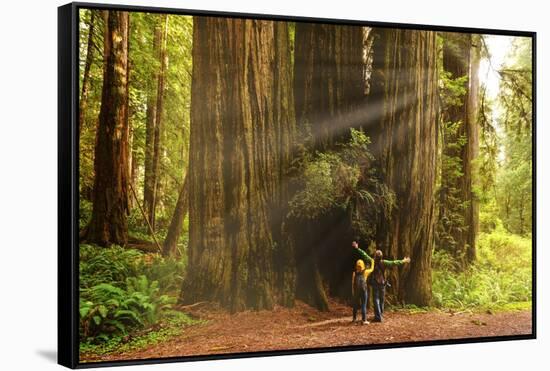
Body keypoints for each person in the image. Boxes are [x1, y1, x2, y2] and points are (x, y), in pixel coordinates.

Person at [351, 241, 410, 322]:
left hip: (375, 283)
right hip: (382, 283)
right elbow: (394, 263)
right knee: (381, 299)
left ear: (375, 256)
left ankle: (378, 316)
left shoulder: (372, 261)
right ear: (381, 257)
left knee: (376, 300)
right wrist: (403, 261)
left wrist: (357, 248)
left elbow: (364, 255)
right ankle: (380, 315)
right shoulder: (384, 262)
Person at [351, 257, 374, 325]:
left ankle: (354, 319)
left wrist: (353, 291)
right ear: (363, 265)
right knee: (364, 305)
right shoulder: (365, 272)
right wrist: (372, 262)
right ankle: (364, 320)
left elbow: (352, 283)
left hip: (356, 291)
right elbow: (372, 269)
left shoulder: (354, 273)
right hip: (364, 290)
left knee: (355, 305)